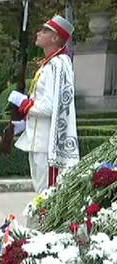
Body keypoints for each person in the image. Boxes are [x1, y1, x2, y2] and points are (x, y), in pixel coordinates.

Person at [9, 15, 79, 193]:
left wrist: (24, 104)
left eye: (45, 31)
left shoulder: (57, 65)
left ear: (55, 38)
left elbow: (49, 107)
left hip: (48, 144)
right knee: (41, 193)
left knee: (47, 194)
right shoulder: (48, 65)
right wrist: (24, 121)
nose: (39, 33)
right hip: (38, 141)